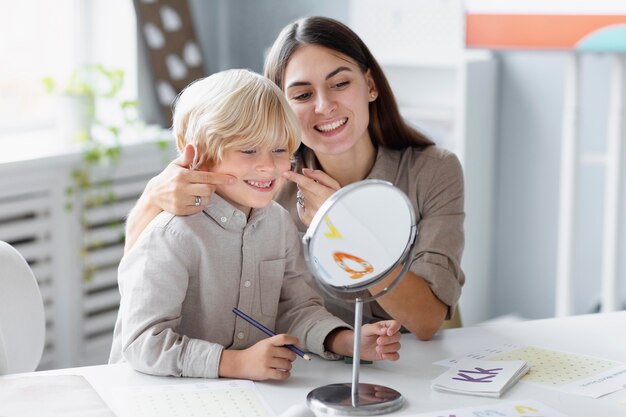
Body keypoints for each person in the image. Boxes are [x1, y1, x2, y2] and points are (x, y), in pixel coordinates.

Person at [124, 16, 465, 342]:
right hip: (303, 366)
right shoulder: (263, 181)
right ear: (279, 110)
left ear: (371, 85)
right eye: (302, 95)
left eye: (341, 83)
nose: (324, 105)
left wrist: (344, 229)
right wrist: (153, 198)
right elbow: (145, 277)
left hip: (402, 361)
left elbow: (426, 322)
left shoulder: (433, 170)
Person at [109, 69, 401, 381]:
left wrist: (347, 341)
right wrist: (234, 363)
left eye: (279, 149)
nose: (269, 165)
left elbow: (296, 308)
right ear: (198, 153)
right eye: (249, 149)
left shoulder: (277, 222)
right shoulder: (171, 234)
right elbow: (142, 344)